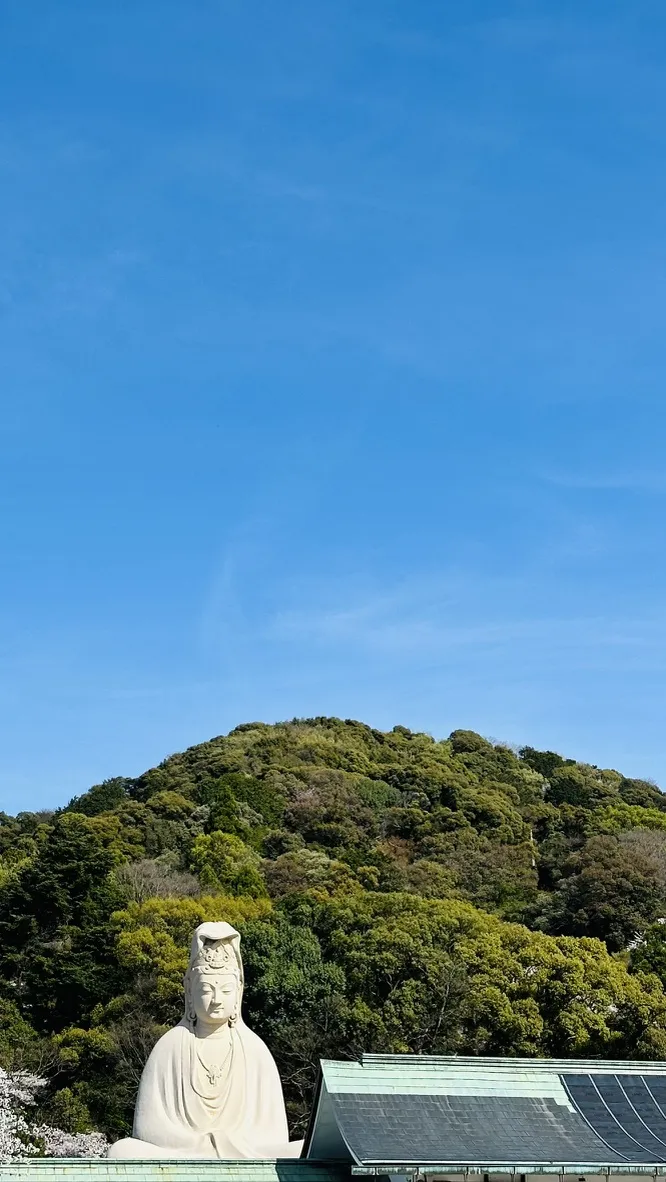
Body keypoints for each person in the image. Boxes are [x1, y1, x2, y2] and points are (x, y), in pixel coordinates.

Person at [108, 921, 303, 1159]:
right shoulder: (170, 1047)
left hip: (246, 1154)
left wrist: (226, 1143)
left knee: (302, 1150)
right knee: (122, 1151)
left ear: (239, 991)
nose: (217, 999)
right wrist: (204, 1144)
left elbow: (274, 1136)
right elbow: (147, 1129)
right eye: (206, 990)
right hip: (185, 1153)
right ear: (189, 991)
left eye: (226, 990)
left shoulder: (255, 1050)